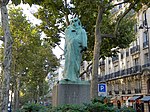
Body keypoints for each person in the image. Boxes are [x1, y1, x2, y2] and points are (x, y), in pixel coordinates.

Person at [63, 17, 87, 82]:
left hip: (77, 49)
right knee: (69, 61)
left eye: (75, 21)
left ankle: (74, 77)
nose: (74, 22)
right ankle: (67, 76)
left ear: (78, 22)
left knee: (76, 62)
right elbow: (66, 41)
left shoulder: (82, 30)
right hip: (69, 49)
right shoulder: (68, 30)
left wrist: (84, 46)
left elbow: (84, 41)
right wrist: (65, 50)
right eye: (72, 21)